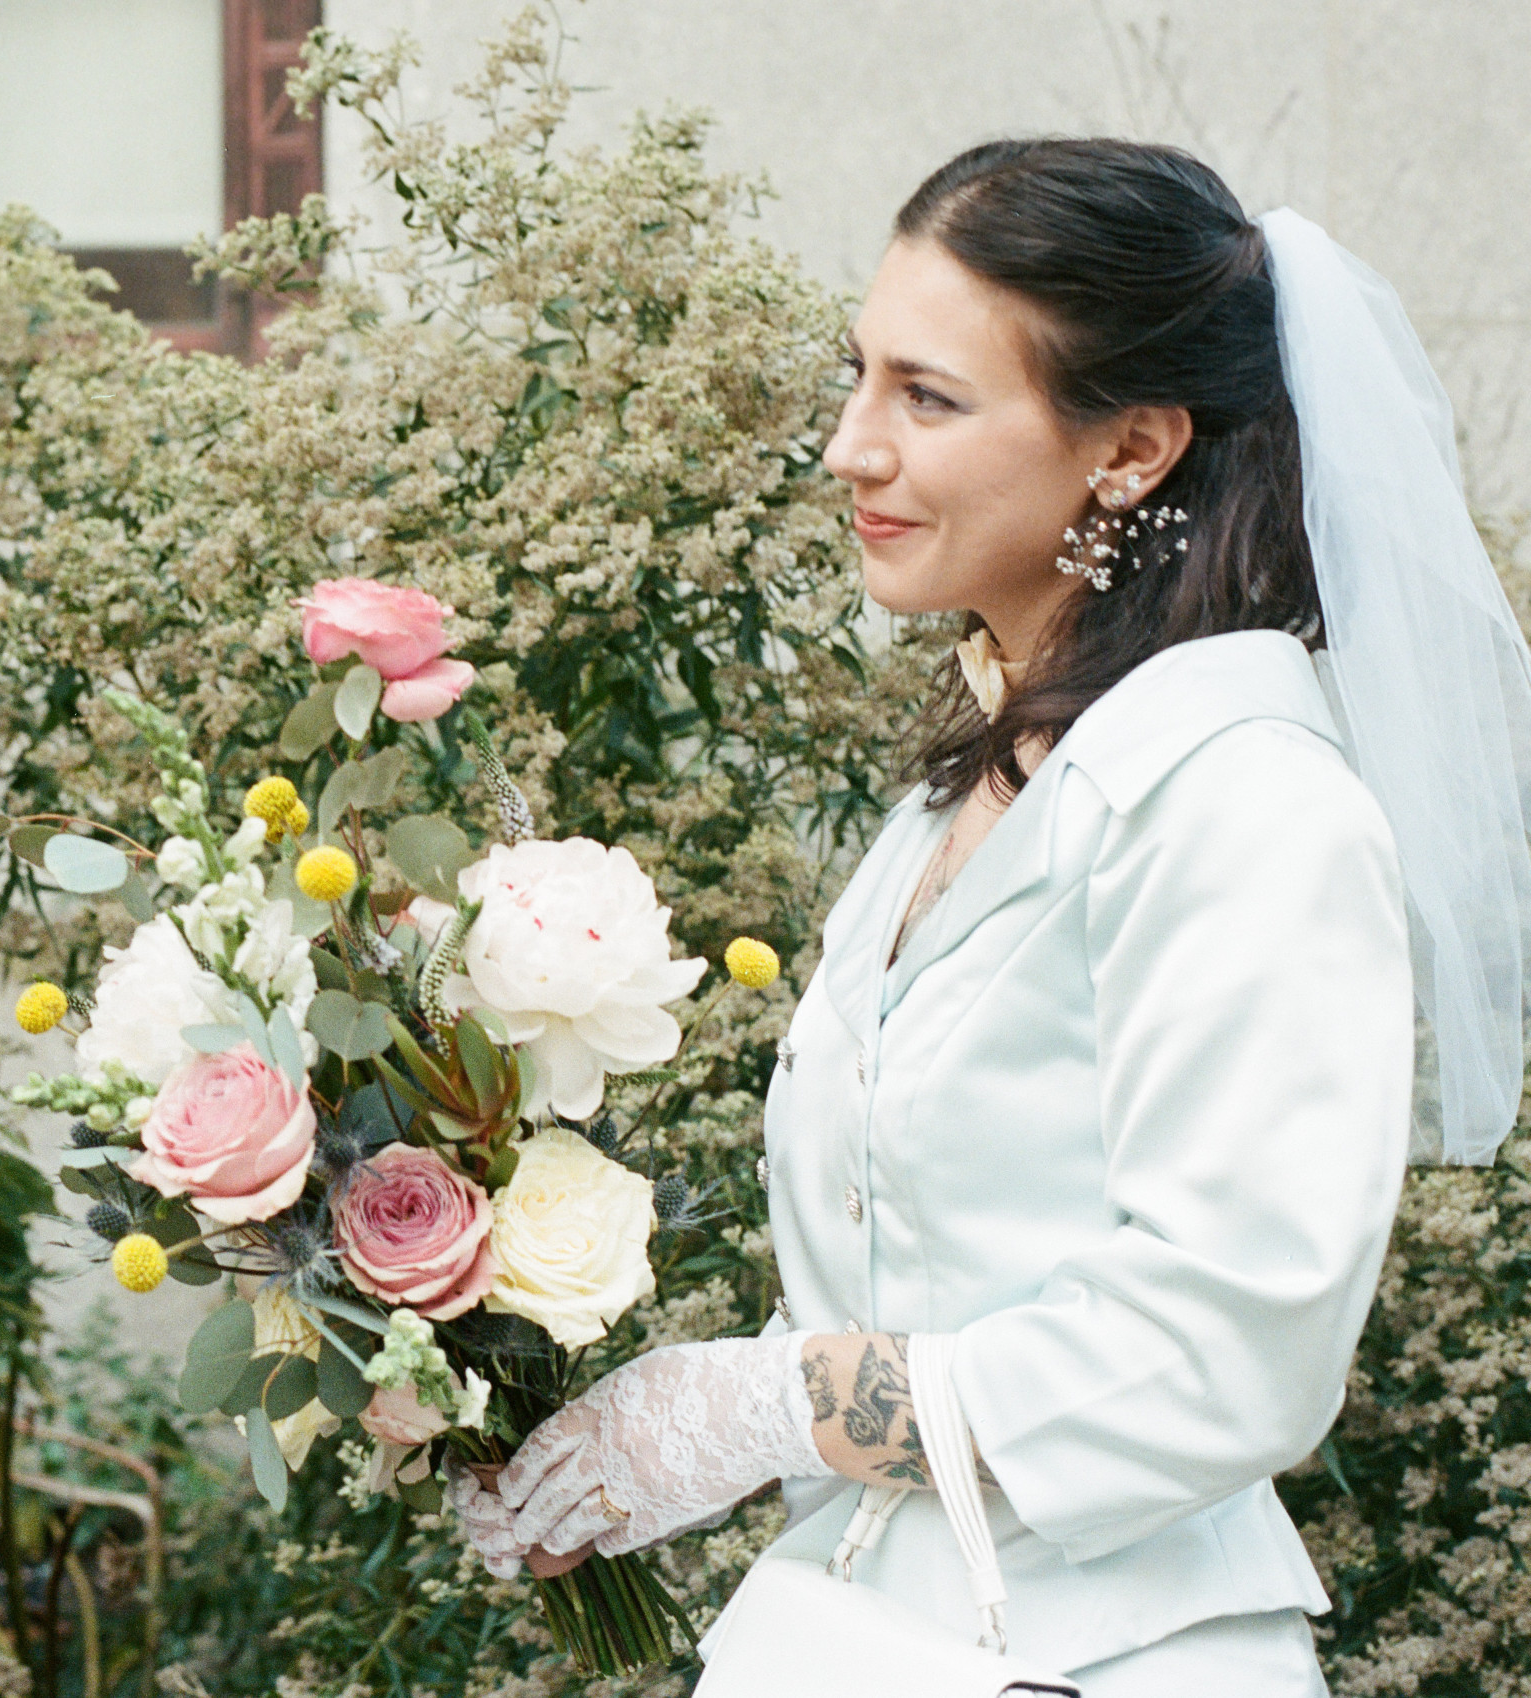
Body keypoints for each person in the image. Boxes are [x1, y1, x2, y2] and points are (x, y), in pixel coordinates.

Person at [449, 138, 1531, 1693]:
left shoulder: (1248, 804)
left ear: (1132, 447)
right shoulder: (956, 803)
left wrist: (765, 1405)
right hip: (852, 1636)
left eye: (929, 398)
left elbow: (1224, 1351)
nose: (849, 447)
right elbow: (918, 1257)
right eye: (859, 377)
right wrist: (615, 1440)